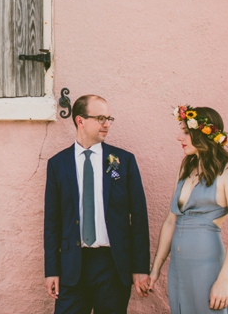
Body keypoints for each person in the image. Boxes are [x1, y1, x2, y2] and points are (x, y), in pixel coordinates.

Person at [44, 95, 150, 314]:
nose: (107, 123)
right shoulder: (58, 164)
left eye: (109, 118)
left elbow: (139, 217)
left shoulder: (123, 160)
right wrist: (51, 270)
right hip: (73, 266)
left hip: (112, 265)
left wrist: (140, 268)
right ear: (80, 120)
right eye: (101, 118)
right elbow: (52, 222)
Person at [148, 105, 228, 313]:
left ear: (202, 133)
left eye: (185, 132)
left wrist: (223, 280)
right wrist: (156, 268)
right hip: (178, 269)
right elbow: (170, 221)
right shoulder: (186, 167)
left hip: (207, 267)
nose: (179, 137)